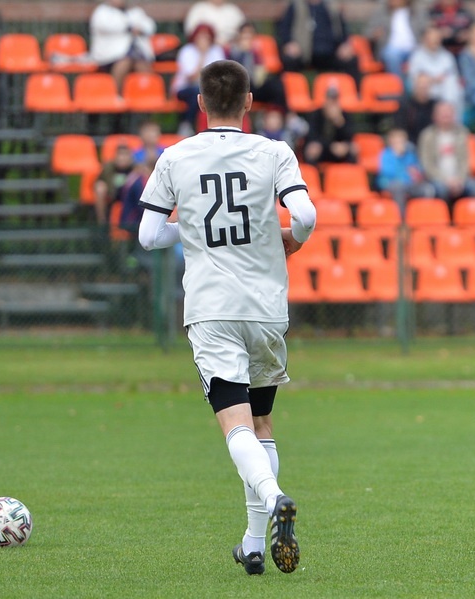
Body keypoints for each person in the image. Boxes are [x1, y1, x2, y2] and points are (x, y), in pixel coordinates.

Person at [137, 60, 317, 575]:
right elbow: (304, 215)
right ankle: (254, 543)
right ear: (248, 103)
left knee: (235, 425)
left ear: (199, 104)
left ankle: (275, 494)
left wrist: (190, 231)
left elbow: (150, 235)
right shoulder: (273, 151)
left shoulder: (176, 157)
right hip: (265, 309)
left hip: (212, 308)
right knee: (261, 422)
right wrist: (290, 240)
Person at [417, 101, 475, 205]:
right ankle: (444, 219)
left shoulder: (463, 133)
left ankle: (471, 217)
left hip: (461, 178)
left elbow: (466, 160)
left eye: (448, 112)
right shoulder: (427, 136)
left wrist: (460, 179)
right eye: (442, 113)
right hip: (437, 179)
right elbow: (427, 164)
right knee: (440, 189)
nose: (446, 115)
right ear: (434, 116)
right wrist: (446, 180)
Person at [276, 0, 360, 81]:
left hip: (331, 53)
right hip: (304, 53)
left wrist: (344, 44)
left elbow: (343, 30)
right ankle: (291, 93)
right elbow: (284, 30)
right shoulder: (296, 6)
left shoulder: (331, 7)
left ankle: (354, 93)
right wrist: (289, 43)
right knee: (289, 60)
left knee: (351, 61)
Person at [172, 24, 226, 137]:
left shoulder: (216, 51)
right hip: (186, 88)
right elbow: (192, 78)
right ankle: (187, 125)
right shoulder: (187, 51)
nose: (203, 40)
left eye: (206, 37)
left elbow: (221, 75)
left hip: (210, 89)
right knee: (197, 93)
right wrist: (202, 55)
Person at [89, 0, 155, 90]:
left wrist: (140, 29)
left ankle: (148, 95)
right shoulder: (102, 11)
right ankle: (116, 95)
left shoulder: (135, 11)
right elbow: (107, 26)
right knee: (124, 62)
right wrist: (130, 28)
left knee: (142, 65)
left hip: (136, 54)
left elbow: (149, 26)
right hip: (109, 57)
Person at [407, 25, 464, 119]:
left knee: (454, 87)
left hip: (445, 89)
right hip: (426, 90)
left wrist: (442, 79)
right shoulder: (416, 56)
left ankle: (453, 121)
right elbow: (413, 79)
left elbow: (454, 76)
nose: (435, 42)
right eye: (432, 39)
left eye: (437, 39)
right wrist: (432, 79)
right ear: (425, 39)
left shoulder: (447, 56)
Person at [229, 22, 288, 111]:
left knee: (276, 86)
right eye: (245, 34)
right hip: (239, 87)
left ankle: (279, 116)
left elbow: (260, 72)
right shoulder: (232, 50)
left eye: (250, 34)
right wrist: (244, 53)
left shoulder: (256, 51)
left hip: (254, 85)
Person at [365, 0, 429, 79]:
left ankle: (415, 87)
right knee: (391, 56)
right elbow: (368, 33)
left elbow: (427, 30)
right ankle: (399, 87)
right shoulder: (381, 12)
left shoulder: (417, 12)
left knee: (423, 55)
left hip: (415, 48)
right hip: (391, 49)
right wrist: (375, 34)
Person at [376, 127, 435, 211]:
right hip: (391, 183)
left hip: (410, 184)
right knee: (399, 187)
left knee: (427, 189)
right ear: (390, 142)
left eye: (401, 141)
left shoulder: (410, 154)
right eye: (396, 141)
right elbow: (387, 172)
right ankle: (401, 219)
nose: (399, 144)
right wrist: (399, 157)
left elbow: (418, 169)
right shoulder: (386, 154)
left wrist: (416, 173)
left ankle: (423, 214)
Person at [302, 87, 356, 165]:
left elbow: (349, 137)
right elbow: (312, 135)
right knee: (312, 149)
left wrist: (339, 123)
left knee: (353, 149)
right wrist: (329, 145)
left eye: (334, 101)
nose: (331, 104)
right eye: (329, 100)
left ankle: (348, 176)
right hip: (322, 147)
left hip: (338, 149)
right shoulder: (316, 114)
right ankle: (311, 174)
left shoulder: (345, 116)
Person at [94, 143, 136, 225]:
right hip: (111, 195)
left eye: (125, 155)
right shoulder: (108, 169)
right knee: (100, 187)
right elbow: (99, 181)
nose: (122, 158)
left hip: (130, 197)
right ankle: (102, 222)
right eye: (120, 154)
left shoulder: (136, 169)